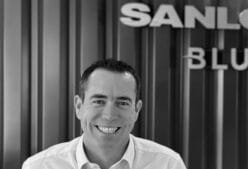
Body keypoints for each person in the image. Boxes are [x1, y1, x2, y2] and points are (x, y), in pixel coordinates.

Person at [22, 59, 187, 169]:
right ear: (79, 106)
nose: (109, 115)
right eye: (98, 101)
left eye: (122, 103)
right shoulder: (39, 166)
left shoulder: (168, 164)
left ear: (136, 110)